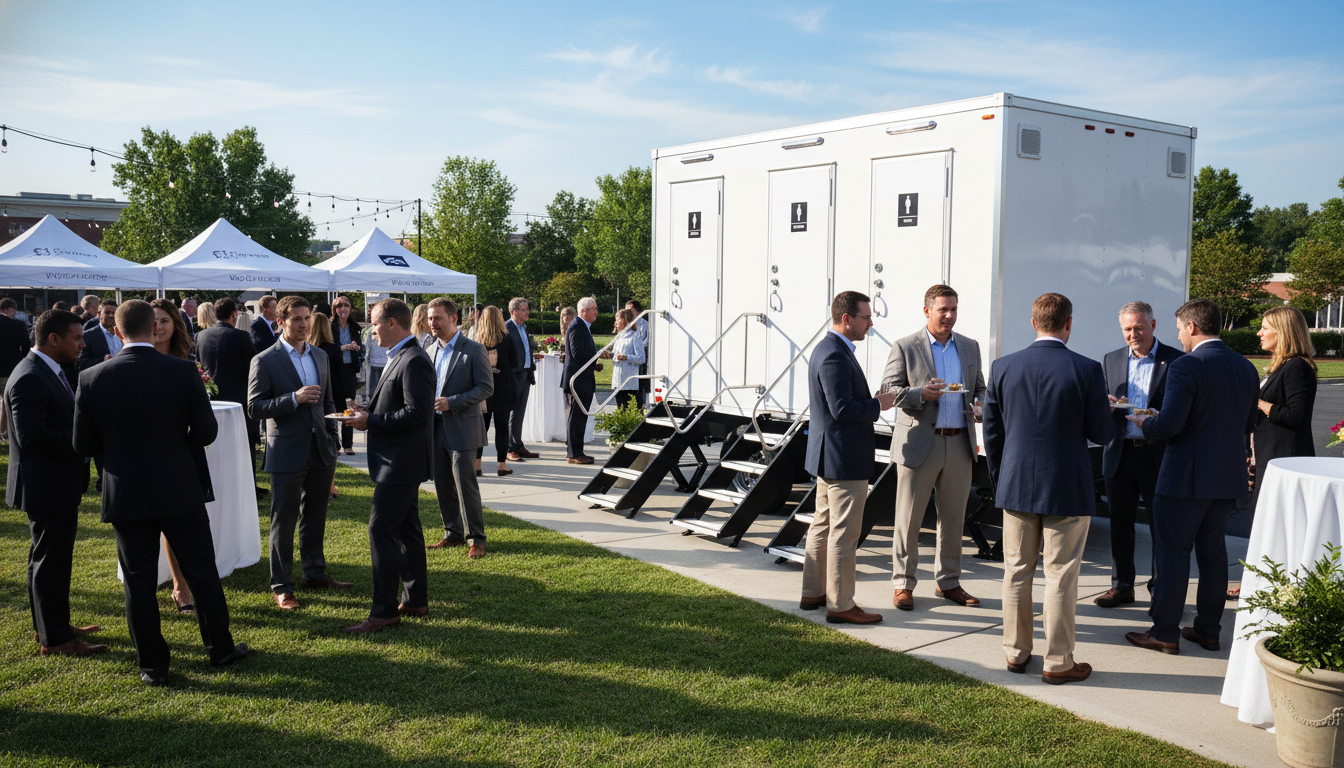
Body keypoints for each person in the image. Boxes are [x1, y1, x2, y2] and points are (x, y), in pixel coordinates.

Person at [73, 300, 247, 684]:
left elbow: (82, 443)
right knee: (201, 571)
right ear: (154, 328)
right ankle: (219, 649)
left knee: (138, 582)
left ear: (117, 332)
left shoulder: (92, 377)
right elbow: (205, 433)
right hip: (178, 487)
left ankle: (152, 665)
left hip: (126, 491)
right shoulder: (182, 372)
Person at [984, 293, 1111, 684]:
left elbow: (992, 431)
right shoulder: (1086, 369)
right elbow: (1103, 432)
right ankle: (1058, 662)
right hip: (1067, 486)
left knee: (1016, 571)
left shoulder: (1003, 366)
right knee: (1060, 575)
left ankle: (1016, 652)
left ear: (1033, 321)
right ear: (1068, 323)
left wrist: (1000, 476)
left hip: (1017, 482)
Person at [1124, 299, 1258, 655]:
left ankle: (1165, 632)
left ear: (1194, 327)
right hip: (1226, 477)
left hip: (1184, 479)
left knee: (1173, 555)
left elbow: (1170, 425)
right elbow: (1248, 423)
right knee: (1213, 555)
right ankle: (1208, 630)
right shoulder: (1246, 367)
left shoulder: (1187, 367)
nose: (1179, 335)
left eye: (1181, 328)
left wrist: (1144, 421)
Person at [5, 309, 105, 656]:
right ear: (54, 339)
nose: (82, 344)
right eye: (77, 338)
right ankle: (57, 639)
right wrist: (83, 439)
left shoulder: (47, 370)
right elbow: (31, 436)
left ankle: (52, 625)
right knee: (50, 562)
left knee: (49, 560)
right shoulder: (31, 376)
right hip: (46, 485)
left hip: (53, 483)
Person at [880, 284, 986, 612]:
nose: (950, 316)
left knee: (954, 519)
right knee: (908, 519)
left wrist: (981, 403)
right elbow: (888, 390)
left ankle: (948, 581)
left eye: (954, 309)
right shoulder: (905, 346)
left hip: (959, 443)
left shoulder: (969, 347)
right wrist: (919, 395)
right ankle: (903, 583)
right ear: (927, 311)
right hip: (920, 443)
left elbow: (979, 386)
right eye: (943, 310)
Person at [800, 291, 896, 625]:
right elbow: (841, 409)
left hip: (833, 456)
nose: (870, 323)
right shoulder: (834, 355)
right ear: (846, 319)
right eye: (866, 317)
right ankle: (840, 605)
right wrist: (878, 405)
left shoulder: (831, 350)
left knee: (823, 525)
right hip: (843, 458)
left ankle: (813, 593)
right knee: (844, 533)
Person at [248, 296, 349, 611]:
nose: (304, 324)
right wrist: (293, 398)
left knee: (315, 516)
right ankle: (282, 586)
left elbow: (328, 401)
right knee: (285, 520)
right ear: (281, 322)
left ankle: (315, 573)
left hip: (320, 449)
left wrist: (332, 438)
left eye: (307, 318)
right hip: (287, 451)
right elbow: (254, 407)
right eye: (296, 319)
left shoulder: (320, 356)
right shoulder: (264, 360)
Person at [344, 298, 434, 633]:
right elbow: (396, 403)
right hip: (398, 462)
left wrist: (372, 421)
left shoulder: (413, 360)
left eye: (374, 324)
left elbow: (417, 414)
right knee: (408, 533)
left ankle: (383, 612)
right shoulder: (402, 356)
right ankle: (414, 599)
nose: (371, 330)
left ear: (393, 323)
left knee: (380, 530)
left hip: (401, 463)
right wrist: (364, 408)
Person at [1095, 301, 1184, 608]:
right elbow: (1103, 407)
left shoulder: (1176, 360)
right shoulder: (1111, 359)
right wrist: (1106, 406)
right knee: (1119, 524)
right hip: (1120, 452)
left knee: (1163, 527)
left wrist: (1162, 416)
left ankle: (1160, 588)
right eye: (1127, 329)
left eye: (1139, 328)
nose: (1133, 334)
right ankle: (1121, 585)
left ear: (1153, 326)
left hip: (1158, 454)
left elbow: (1182, 410)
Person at [1227, 306, 1319, 600]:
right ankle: (1258, 582)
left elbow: (1296, 416)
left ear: (1283, 332)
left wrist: (1259, 403)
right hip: (1267, 458)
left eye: (1265, 327)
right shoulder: (1281, 367)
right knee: (1263, 523)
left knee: (1274, 526)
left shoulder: (1297, 367)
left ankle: (1265, 585)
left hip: (1285, 461)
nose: (1259, 333)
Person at [151, 298, 211, 616]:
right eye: (153, 321)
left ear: (175, 325)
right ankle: (179, 586)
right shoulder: (132, 359)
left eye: (164, 321)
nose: (158, 327)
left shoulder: (188, 363)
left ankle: (183, 585)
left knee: (184, 524)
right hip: (148, 457)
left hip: (185, 453)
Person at [422, 297, 493, 556]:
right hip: (435, 428)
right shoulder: (430, 350)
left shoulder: (474, 350)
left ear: (454, 319)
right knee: (442, 483)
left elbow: (486, 387)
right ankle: (452, 532)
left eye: (437, 318)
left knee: (465, 484)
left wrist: (452, 402)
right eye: (430, 318)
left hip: (463, 427)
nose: (432, 323)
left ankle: (477, 539)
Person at [196, 298, 262, 494]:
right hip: (238, 399)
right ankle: (247, 488)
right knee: (244, 445)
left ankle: (218, 484)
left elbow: (201, 365)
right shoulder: (240, 336)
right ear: (234, 314)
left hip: (212, 399)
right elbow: (254, 366)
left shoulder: (201, 336)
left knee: (215, 446)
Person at [473, 306, 517, 478]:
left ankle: (477, 464)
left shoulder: (477, 340)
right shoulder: (507, 338)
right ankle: (501, 464)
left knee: (480, 428)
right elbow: (515, 362)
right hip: (503, 390)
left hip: (483, 391)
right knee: (502, 428)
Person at [309, 312, 346, 498]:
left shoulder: (308, 349)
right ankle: (330, 486)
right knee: (332, 444)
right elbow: (338, 377)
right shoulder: (334, 349)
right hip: (331, 399)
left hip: (313, 402)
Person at [562, 298, 599, 464]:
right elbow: (577, 354)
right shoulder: (577, 326)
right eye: (594, 309)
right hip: (578, 380)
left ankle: (578, 451)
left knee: (581, 416)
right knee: (576, 417)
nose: (596, 312)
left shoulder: (583, 326)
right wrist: (596, 357)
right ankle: (573, 453)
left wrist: (594, 365)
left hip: (583, 377)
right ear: (584, 311)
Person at [505, 297, 542, 462]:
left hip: (526, 375)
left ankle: (518, 445)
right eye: (524, 310)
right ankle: (509, 448)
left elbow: (521, 350)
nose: (527, 312)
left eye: (527, 309)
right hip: (513, 377)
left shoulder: (523, 328)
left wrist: (531, 359)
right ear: (514, 312)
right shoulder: (506, 328)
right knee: (511, 413)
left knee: (520, 413)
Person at [331, 295, 363, 456]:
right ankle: (335, 443)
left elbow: (362, 350)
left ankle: (348, 444)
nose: (343, 309)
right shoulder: (330, 326)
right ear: (335, 310)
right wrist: (342, 348)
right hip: (334, 371)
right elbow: (325, 349)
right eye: (339, 306)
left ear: (350, 308)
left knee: (349, 407)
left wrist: (357, 349)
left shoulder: (355, 327)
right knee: (334, 408)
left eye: (346, 306)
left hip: (350, 370)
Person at [0, 297, 35, 442]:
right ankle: (5, 432)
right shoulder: (17, 325)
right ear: (7, 309)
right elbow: (27, 346)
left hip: (8, 367)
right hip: (9, 368)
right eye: (13, 309)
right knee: (7, 401)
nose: (15, 312)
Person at [608, 308, 646, 410]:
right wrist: (609, 355)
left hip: (629, 382)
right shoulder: (619, 337)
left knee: (629, 409)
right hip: (617, 381)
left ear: (626, 321)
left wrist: (627, 357)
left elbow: (642, 358)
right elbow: (615, 355)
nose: (615, 323)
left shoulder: (634, 336)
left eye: (618, 320)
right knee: (620, 408)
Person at [77, 299, 122, 371]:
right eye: (107, 313)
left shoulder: (123, 334)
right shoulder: (88, 336)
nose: (111, 315)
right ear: (99, 314)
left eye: (114, 313)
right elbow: (80, 363)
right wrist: (103, 359)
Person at [625, 299, 649, 407]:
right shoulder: (626, 325)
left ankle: (639, 406)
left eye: (630, 309)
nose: (627, 312)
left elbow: (647, 342)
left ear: (638, 311)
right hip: (627, 361)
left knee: (639, 386)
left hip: (639, 360)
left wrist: (634, 349)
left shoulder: (645, 325)